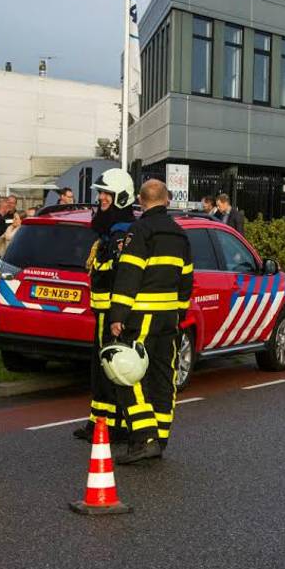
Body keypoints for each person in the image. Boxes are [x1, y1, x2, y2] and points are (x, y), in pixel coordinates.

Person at [107, 180, 193, 464]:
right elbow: (186, 279)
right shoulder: (181, 235)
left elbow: (129, 274)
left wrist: (118, 315)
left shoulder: (140, 230)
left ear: (141, 202)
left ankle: (144, 437)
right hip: (169, 318)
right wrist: (179, 313)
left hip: (141, 315)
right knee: (162, 375)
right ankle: (161, 435)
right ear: (167, 199)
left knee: (127, 372)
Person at [74, 168, 136, 442]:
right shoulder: (110, 231)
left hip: (113, 313)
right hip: (103, 312)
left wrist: (116, 315)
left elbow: (121, 276)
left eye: (106, 194)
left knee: (109, 368)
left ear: (121, 197)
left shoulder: (121, 235)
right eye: (100, 193)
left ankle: (109, 426)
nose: (100, 198)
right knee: (100, 369)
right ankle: (98, 422)